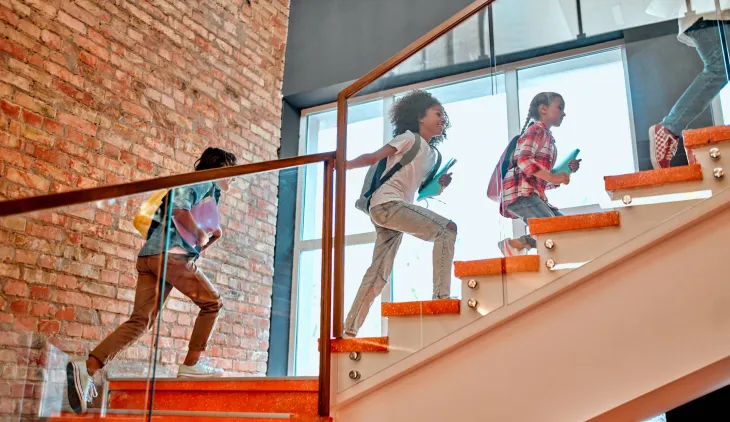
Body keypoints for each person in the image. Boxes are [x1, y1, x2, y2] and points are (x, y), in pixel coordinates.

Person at [66, 147, 238, 414]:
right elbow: (180, 211)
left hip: (153, 258)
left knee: (140, 321)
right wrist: (200, 234)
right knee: (213, 303)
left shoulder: (208, 196)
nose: (234, 179)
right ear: (221, 167)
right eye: (232, 172)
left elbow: (188, 237)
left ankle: (87, 367)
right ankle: (191, 365)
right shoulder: (203, 182)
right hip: (168, 258)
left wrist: (211, 236)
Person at [343, 90, 457, 338]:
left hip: (391, 210)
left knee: (379, 273)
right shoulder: (408, 138)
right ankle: (441, 299)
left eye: (443, 116)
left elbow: (422, 191)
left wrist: (441, 184)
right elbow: (374, 157)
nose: (442, 119)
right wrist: (345, 164)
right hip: (387, 205)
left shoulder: (432, 155)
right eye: (437, 113)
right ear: (419, 116)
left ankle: (349, 330)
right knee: (446, 230)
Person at [647, 0, 730, 169]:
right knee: (720, 69)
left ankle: (670, 127)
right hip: (707, 12)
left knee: (720, 69)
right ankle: (669, 127)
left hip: (712, 12)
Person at [498, 92, 581, 256]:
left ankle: (517, 244)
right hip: (521, 194)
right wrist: (554, 177)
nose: (563, 113)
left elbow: (538, 179)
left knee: (565, 229)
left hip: (531, 193)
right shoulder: (536, 130)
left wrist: (565, 172)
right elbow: (523, 160)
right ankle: (517, 244)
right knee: (553, 229)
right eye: (560, 107)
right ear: (543, 109)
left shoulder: (549, 139)